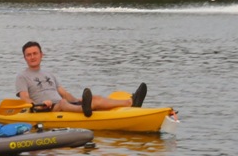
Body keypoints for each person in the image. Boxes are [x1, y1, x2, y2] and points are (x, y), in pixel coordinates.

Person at [15, 41, 144, 117]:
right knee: (63, 102)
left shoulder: (49, 73)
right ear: (24, 57)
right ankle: (84, 110)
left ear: (41, 55)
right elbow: (24, 97)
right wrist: (39, 105)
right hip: (43, 108)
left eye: (35, 53)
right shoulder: (22, 76)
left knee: (95, 98)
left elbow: (63, 93)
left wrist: (77, 100)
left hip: (61, 104)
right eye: (29, 55)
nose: (32, 57)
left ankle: (130, 102)